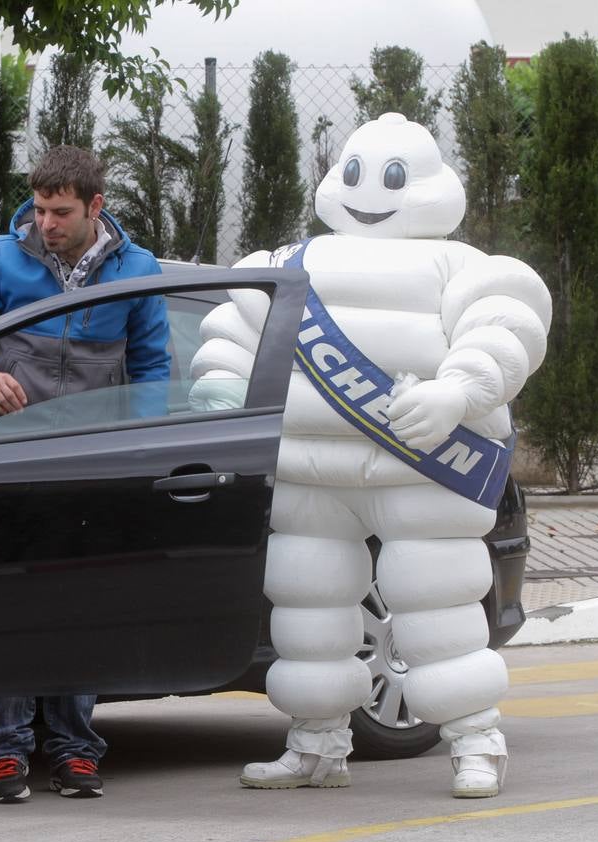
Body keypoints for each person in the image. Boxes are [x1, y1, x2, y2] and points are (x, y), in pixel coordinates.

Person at [189, 113, 550, 799]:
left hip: (422, 465)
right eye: (354, 173)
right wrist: (217, 390)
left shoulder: (459, 266)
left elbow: (504, 326)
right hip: (307, 469)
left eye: (387, 177)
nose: (367, 191)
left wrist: (457, 391)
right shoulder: (286, 265)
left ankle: (477, 742)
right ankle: (315, 745)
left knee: (436, 605)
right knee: (306, 606)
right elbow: (235, 330)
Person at [0, 144, 171, 804]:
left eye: (60, 212)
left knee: (78, 605)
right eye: (38, 210)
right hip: (6, 461)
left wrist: (136, 444)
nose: (45, 224)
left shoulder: (137, 270)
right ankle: (4, 751)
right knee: (5, 604)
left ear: (95, 207)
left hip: (90, 467)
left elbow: (153, 370)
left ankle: (73, 751)